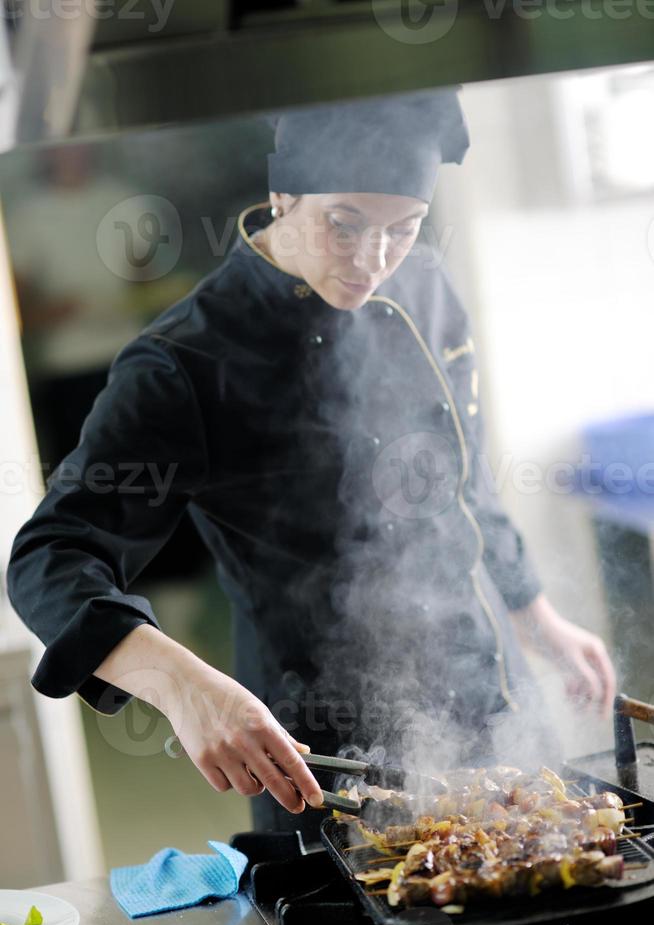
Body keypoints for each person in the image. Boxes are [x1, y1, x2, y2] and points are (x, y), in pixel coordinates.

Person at [8, 89, 616, 841]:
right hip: (327, 755)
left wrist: (535, 612)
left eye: (403, 228)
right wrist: (182, 685)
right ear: (281, 195)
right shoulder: (186, 362)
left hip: (491, 699)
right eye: (345, 225)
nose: (373, 261)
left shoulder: (424, 288)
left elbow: (461, 478)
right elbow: (48, 558)